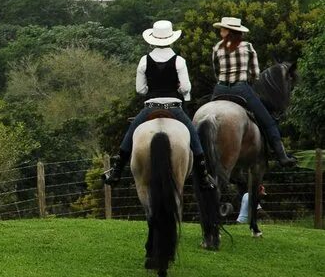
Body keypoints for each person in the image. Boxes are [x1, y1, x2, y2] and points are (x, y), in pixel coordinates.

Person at [103, 20, 216, 190]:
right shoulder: (179, 60)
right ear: (171, 39)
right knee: (193, 135)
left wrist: (152, 88)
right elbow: (186, 88)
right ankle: (203, 174)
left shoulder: (144, 60)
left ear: (152, 40)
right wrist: (177, 87)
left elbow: (140, 90)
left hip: (151, 106)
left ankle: (116, 171)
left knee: (130, 133)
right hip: (174, 108)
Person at [211, 16, 296, 167]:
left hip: (220, 89)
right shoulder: (248, 47)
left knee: (205, 119)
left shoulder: (217, 47)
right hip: (241, 89)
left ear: (229, 31)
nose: (221, 31)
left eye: (223, 29)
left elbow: (216, 71)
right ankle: (281, 156)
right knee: (268, 122)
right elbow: (255, 74)